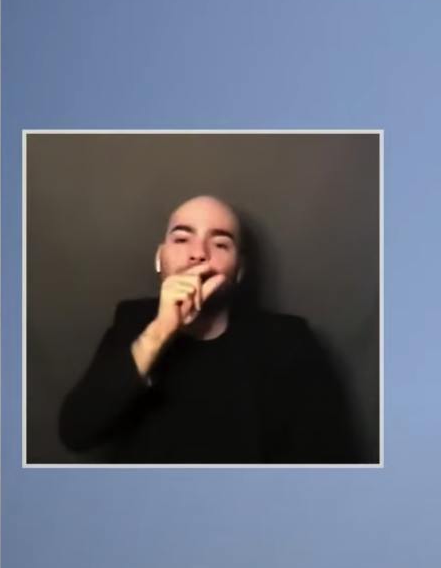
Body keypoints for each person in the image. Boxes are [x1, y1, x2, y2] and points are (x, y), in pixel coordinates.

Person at [57, 195, 356, 463]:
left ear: (239, 271)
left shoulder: (290, 341)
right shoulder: (131, 323)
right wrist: (160, 331)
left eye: (220, 243)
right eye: (182, 239)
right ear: (159, 259)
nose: (199, 253)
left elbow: (329, 461)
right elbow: (76, 432)